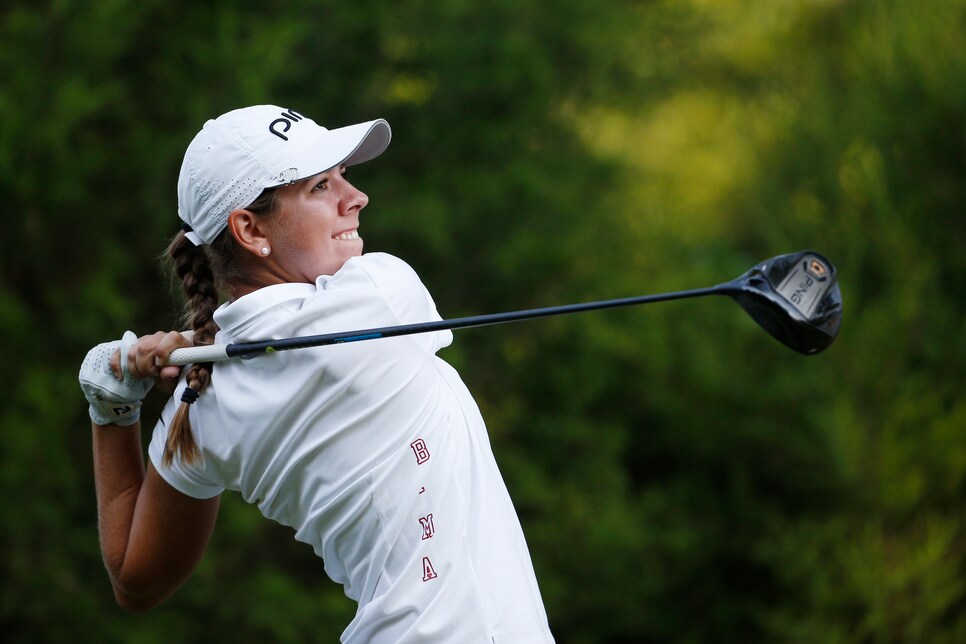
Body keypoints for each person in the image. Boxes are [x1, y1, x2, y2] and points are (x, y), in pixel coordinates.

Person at [78, 105, 555, 643]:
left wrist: (112, 408)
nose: (356, 198)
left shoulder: (199, 402)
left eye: (343, 178)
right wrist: (196, 344)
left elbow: (134, 580)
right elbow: (285, 335)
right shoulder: (380, 293)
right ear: (250, 229)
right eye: (321, 186)